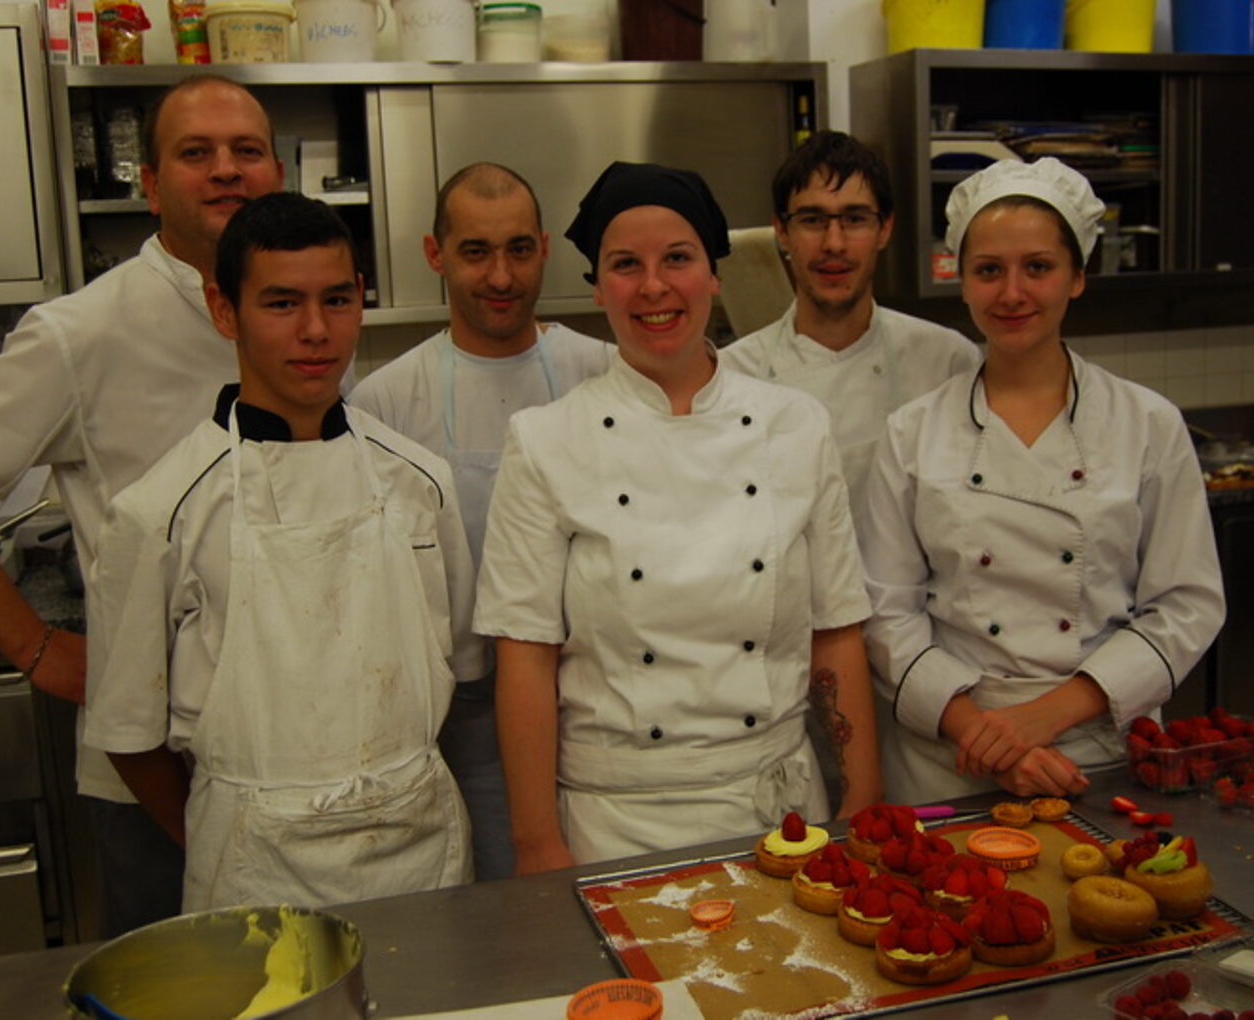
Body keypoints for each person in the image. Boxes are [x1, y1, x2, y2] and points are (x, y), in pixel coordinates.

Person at [0, 74, 284, 936]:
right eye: (195, 153)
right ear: (151, 182)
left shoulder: (293, 314)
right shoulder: (83, 330)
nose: (225, 171)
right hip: (158, 762)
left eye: (246, 151)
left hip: (291, 739)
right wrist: (36, 646)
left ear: (275, 172)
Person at [475, 162, 881, 874]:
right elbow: (526, 660)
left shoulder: (796, 425)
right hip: (616, 820)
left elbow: (838, 631)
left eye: (678, 259)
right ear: (599, 286)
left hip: (781, 811)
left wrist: (864, 795)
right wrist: (537, 843)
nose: (654, 287)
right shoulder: (544, 441)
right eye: (626, 265)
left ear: (714, 275)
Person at [85, 192, 480, 910]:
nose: (316, 331)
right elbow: (128, 734)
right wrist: (226, 828)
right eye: (280, 304)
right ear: (224, 308)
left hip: (419, 851)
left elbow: (455, 659)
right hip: (253, 867)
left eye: (337, 299)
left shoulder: (419, 480)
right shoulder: (160, 512)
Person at [859, 158, 1225, 803]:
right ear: (963, 283)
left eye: (1038, 267)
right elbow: (888, 615)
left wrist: (1044, 717)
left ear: (1078, 277)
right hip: (950, 757)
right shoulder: (912, 431)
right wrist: (982, 735)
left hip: (1095, 753)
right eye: (989, 271)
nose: (1012, 294)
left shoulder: (1147, 423)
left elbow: (1186, 604)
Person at [349, 162, 610, 880]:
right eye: (476, 253)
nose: (501, 276)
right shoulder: (386, 401)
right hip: (463, 714)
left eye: (519, 250)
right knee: (511, 901)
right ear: (436, 255)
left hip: (598, 692)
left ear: (545, 249)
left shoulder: (600, 370)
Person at [719, 130, 979, 510]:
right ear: (782, 231)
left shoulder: (947, 361)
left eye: (855, 219)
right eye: (812, 219)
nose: (834, 244)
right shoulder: (733, 375)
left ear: (884, 229)